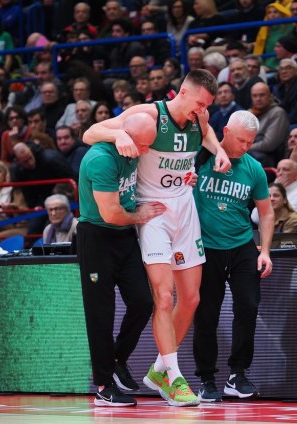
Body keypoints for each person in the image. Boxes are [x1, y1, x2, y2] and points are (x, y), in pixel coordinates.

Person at [82, 69, 230, 407]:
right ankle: (174, 376)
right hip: (152, 213)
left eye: (207, 106)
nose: (202, 111)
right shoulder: (148, 114)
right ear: (182, 92)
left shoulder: (200, 118)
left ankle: (161, 368)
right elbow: (90, 132)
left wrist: (218, 150)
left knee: (190, 299)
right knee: (163, 298)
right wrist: (118, 135)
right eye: (199, 104)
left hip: (184, 208)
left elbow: (205, 132)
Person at [77, 112, 163, 407]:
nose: (147, 151)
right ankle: (103, 386)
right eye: (144, 145)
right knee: (101, 313)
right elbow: (111, 214)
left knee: (142, 301)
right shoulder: (101, 160)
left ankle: (117, 359)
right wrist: (140, 215)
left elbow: (93, 130)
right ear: (127, 138)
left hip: (124, 236)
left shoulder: (133, 142)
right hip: (97, 236)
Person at [192, 110, 274, 402]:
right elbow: (200, 127)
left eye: (251, 142)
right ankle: (206, 379)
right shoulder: (201, 156)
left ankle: (237, 374)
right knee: (207, 314)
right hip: (206, 246)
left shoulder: (254, 168)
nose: (245, 147)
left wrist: (265, 251)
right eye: (241, 140)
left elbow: (266, 213)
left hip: (241, 244)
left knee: (248, 306)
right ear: (225, 131)